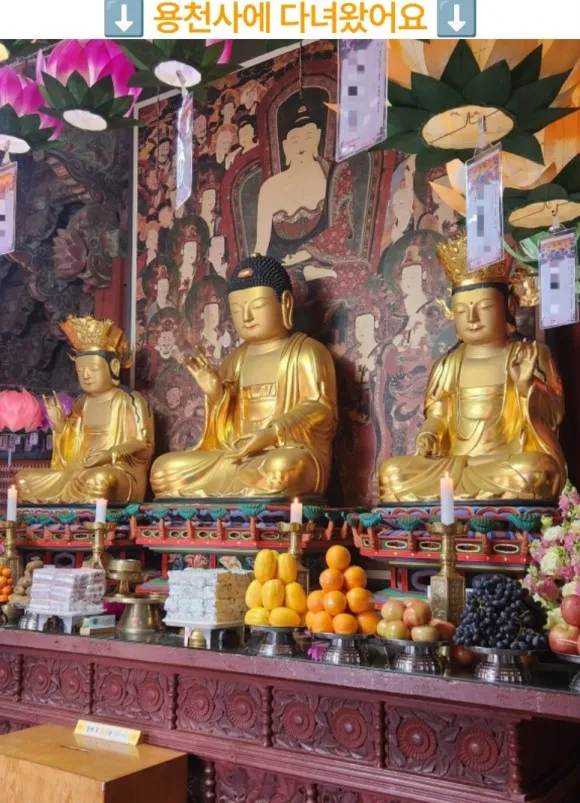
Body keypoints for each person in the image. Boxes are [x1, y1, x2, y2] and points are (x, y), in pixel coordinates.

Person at [379, 231, 567, 502]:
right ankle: (468, 497)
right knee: (391, 473)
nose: (473, 318)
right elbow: (439, 416)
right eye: (461, 311)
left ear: (508, 306)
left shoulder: (529, 354)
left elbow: (554, 416)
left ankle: (464, 498)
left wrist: (527, 386)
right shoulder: (447, 364)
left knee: (538, 471)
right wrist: (429, 434)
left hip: (503, 462)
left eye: (485, 307)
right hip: (452, 466)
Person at [150, 254, 338, 499]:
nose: (247, 317)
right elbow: (223, 436)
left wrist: (271, 434)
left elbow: (321, 411)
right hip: (236, 457)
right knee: (163, 470)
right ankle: (240, 490)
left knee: (283, 468)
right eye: (237, 310)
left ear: (285, 304)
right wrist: (216, 395)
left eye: (257, 307)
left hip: (280, 455)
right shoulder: (235, 360)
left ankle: (246, 489)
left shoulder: (307, 352)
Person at [15, 317, 154, 504]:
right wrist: (60, 426)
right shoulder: (80, 404)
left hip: (117, 474)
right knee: (23, 480)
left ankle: (76, 498)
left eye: (93, 369)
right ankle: (72, 499)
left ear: (113, 366)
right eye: (80, 371)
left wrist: (109, 455)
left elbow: (144, 445)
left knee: (99, 479)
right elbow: (69, 453)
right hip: (78, 473)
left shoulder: (130, 400)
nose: (86, 376)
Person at [253, 100, 368, 293]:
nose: (301, 145)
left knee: (358, 270)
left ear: (317, 138)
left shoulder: (334, 173)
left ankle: (311, 273)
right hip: (283, 266)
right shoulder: (269, 188)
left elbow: (342, 226)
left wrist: (305, 254)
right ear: (285, 146)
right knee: (278, 286)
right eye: (295, 140)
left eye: (308, 137)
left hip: (323, 258)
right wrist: (251, 272)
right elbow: (261, 245)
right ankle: (305, 276)